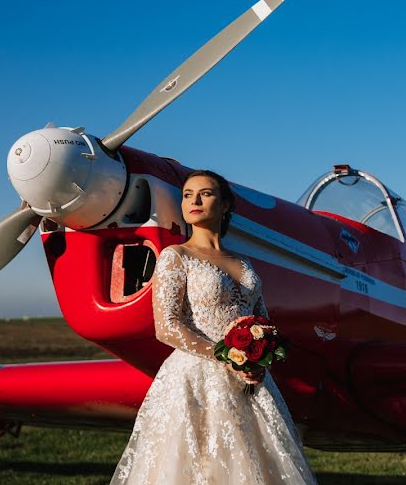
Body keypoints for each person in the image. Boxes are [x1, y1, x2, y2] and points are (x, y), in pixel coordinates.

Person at [112, 170, 316, 484]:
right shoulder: (176, 256)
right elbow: (166, 326)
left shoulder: (244, 262)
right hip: (194, 377)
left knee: (254, 462)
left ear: (224, 206)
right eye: (187, 194)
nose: (193, 200)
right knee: (198, 465)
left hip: (249, 380)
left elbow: (262, 320)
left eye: (205, 193)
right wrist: (228, 357)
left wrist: (260, 360)